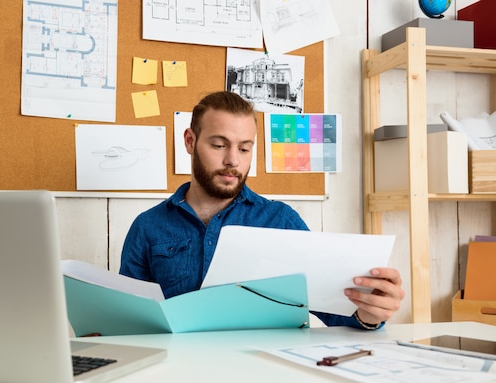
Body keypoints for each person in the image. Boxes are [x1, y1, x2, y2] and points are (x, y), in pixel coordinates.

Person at [120, 91, 405, 330]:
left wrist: (368, 315)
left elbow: (335, 316)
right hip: (177, 378)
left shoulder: (279, 220)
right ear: (190, 141)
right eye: (219, 145)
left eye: (244, 149)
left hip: (265, 380)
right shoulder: (148, 227)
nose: (233, 160)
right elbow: (128, 322)